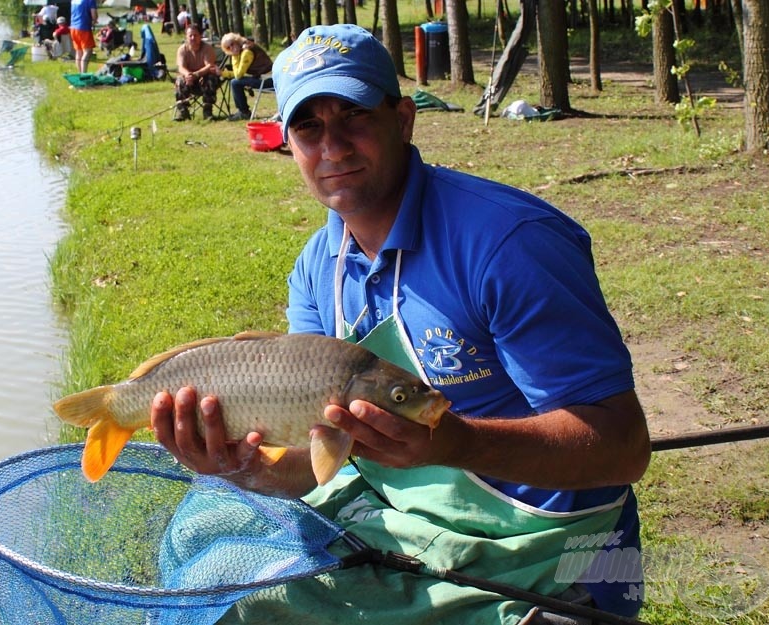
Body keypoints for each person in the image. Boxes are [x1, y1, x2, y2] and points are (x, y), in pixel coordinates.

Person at [151, 23, 651, 625]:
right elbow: (312, 461)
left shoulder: (508, 245)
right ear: (288, 143)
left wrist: (459, 442)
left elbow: (623, 449)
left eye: (354, 115)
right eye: (308, 126)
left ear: (404, 119)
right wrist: (244, 464)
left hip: (556, 547)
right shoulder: (318, 265)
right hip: (403, 512)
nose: (332, 146)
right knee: (208, 543)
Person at [219, 33, 273, 121]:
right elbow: (241, 73)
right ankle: (243, 111)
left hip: (268, 80)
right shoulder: (244, 48)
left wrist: (234, 57)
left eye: (232, 44)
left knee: (235, 82)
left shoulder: (247, 51)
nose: (231, 48)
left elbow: (238, 75)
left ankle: (243, 112)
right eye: (228, 47)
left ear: (237, 41)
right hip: (262, 77)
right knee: (236, 82)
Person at [173, 24, 220, 121]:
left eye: (195, 35)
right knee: (179, 80)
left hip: (204, 79)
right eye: (190, 35)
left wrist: (196, 74)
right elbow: (181, 67)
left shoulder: (207, 48)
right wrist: (188, 75)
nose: (193, 38)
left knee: (211, 77)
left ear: (200, 36)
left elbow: (209, 66)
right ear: (186, 36)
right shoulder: (182, 49)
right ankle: (183, 111)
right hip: (189, 80)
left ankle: (207, 112)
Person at [70, 0, 99, 74]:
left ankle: (80, 73)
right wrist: (95, 20)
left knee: (79, 51)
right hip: (83, 27)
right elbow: (94, 15)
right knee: (88, 51)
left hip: (73, 27)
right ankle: (84, 73)